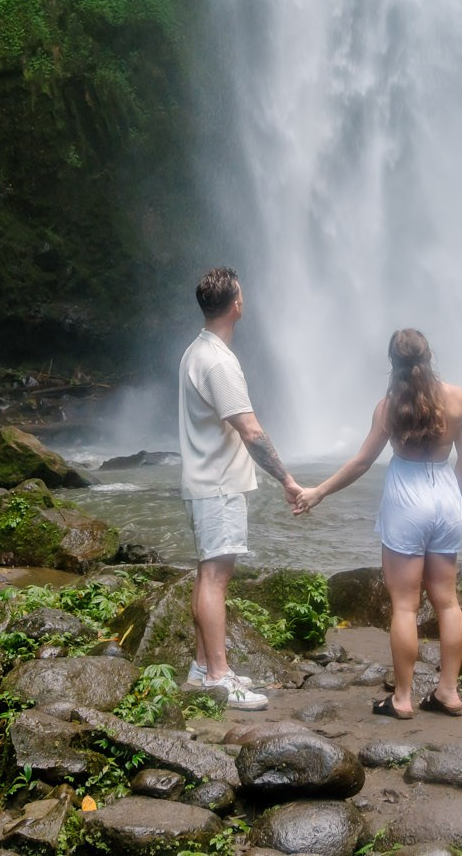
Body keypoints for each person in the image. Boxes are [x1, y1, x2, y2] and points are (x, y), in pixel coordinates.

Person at [293, 328, 462, 718]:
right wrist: (452, 497)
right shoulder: (458, 398)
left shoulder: (389, 407)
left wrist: (318, 492)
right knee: (447, 601)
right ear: (429, 357)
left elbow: (362, 462)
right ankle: (448, 692)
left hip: (407, 502)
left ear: (393, 363)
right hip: (447, 499)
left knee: (405, 606)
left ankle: (403, 699)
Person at [178, 266, 302, 710]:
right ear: (236, 305)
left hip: (203, 481)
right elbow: (250, 431)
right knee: (216, 579)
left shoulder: (196, 351)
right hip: (219, 485)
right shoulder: (218, 362)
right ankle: (219, 676)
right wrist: (287, 479)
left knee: (207, 573)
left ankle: (200, 668)